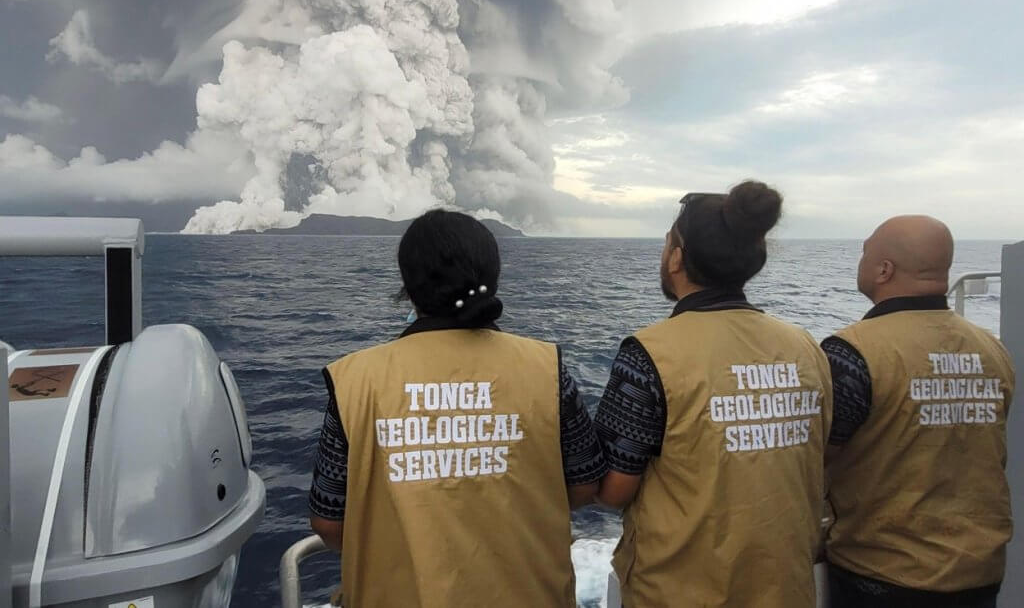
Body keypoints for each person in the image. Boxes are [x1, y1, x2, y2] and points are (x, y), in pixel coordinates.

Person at [308, 208, 607, 607]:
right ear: (493, 278)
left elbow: (329, 522)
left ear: (408, 286)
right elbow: (585, 485)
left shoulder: (355, 380)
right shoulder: (547, 369)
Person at [593, 180, 833, 608]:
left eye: (667, 243)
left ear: (677, 258)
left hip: (679, 592)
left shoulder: (649, 354)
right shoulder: (806, 348)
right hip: (785, 588)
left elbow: (614, 489)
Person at [822, 215, 1015, 608]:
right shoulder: (992, 348)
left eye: (864, 251)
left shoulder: (852, 352)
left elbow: (819, 456)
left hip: (881, 572)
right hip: (979, 572)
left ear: (884, 270)